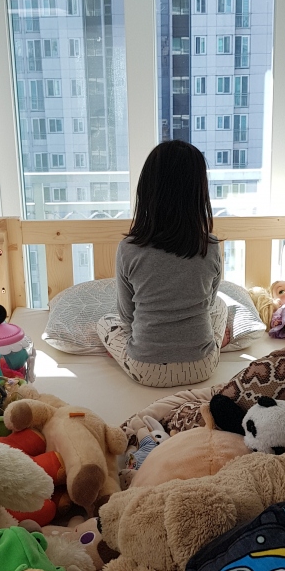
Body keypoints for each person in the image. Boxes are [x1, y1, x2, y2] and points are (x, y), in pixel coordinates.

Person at [96, 140, 228, 387]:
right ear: (199, 193)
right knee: (220, 306)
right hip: (202, 366)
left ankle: (124, 352)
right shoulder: (209, 246)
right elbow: (209, 303)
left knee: (105, 322)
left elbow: (127, 315)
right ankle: (217, 341)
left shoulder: (129, 248)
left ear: (146, 191)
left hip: (146, 369)